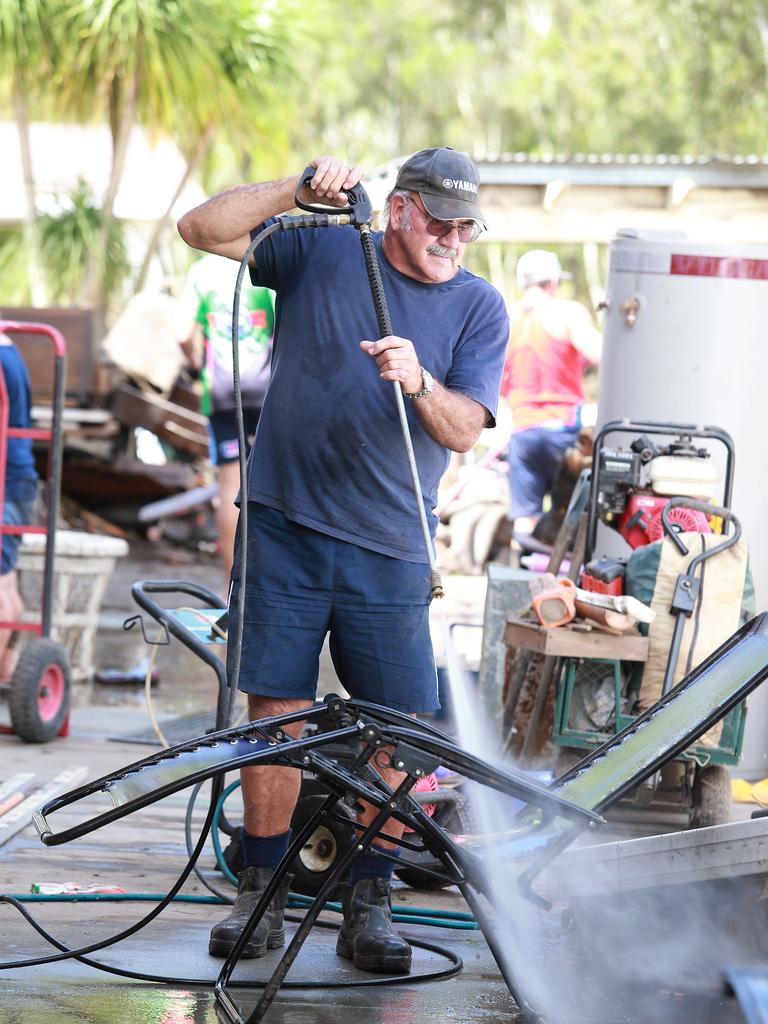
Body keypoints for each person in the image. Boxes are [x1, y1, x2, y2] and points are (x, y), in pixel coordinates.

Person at [177, 148, 509, 974]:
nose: (452, 238)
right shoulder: (324, 249)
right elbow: (199, 228)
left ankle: (370, 905)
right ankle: (261, 897)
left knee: (396, 731)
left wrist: (418, 380)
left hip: (392, 543)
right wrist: (296, 188)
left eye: (466, 226)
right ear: (399, 209)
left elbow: (466, 427)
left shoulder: (479, 306)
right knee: (275, 715)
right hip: (285, 523)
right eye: (439, 220)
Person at [176, 253, 274, 577]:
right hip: (266, 388)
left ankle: (234, 584)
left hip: (223, 390)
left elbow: (182, 334)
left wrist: (194, 364)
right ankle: (269, 577)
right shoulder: (265, 262)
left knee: (232, 484)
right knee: (274, 481)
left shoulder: (202, 271)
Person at [503, 248, 602, 543]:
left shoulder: (505, 319)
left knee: (524, 517)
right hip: (562, 432)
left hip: (523, 433)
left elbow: (497, 380)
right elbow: (601, 354)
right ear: (554, 281)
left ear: (523, 283)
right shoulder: (567, 313)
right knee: (575, 511)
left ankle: (521, 573)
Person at [0, 333, 38, 677]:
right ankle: (7, 670)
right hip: (19, 480)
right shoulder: (8, 344)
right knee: (5, 579)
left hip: (6, 482)